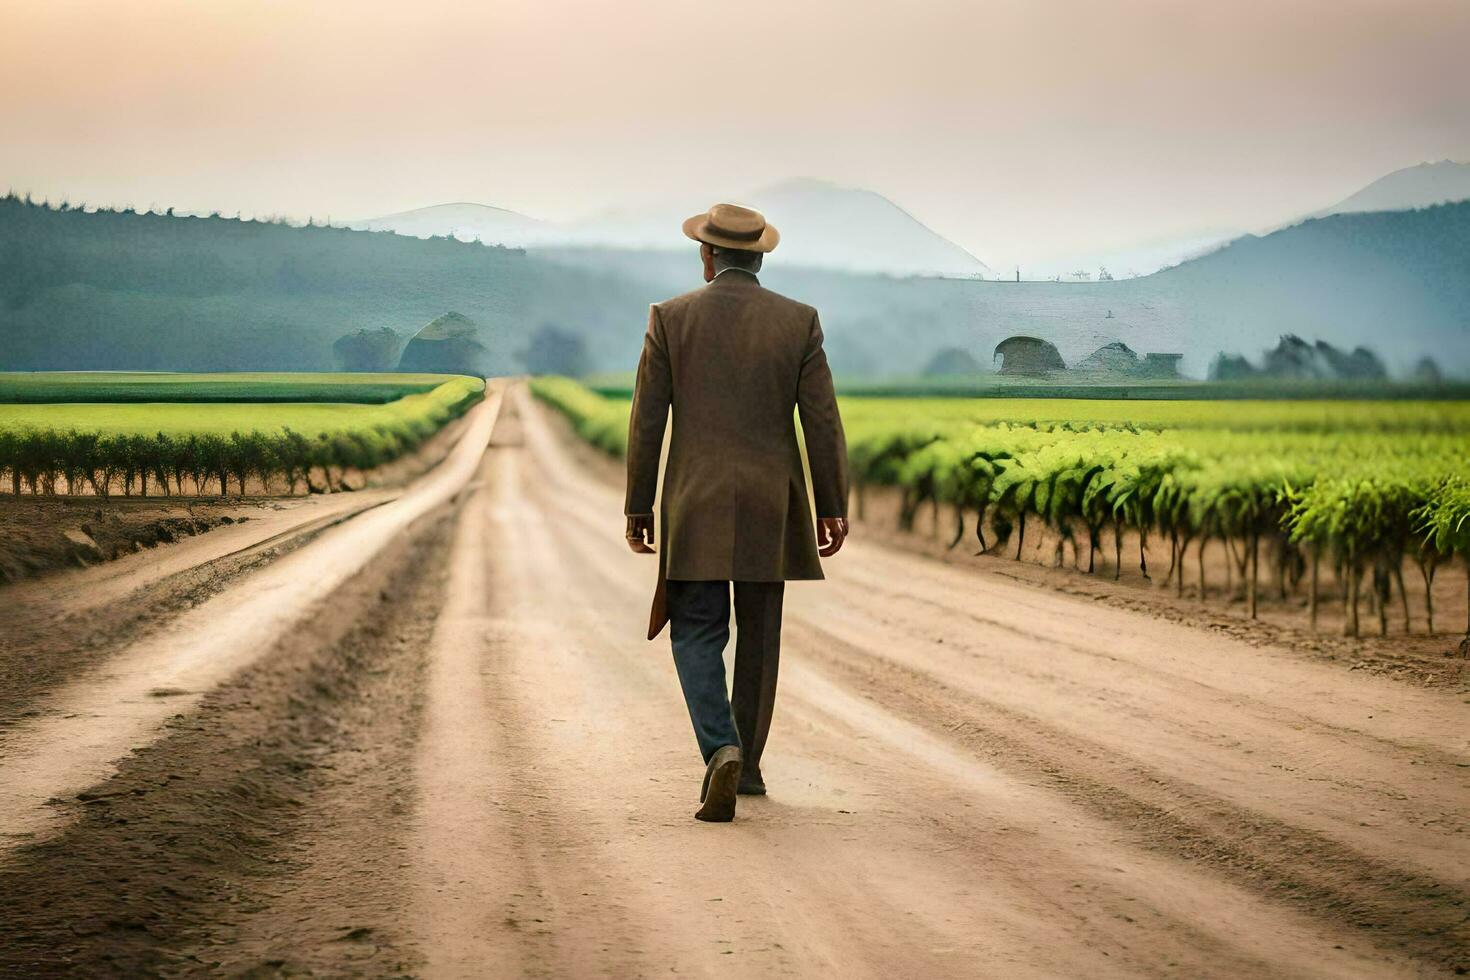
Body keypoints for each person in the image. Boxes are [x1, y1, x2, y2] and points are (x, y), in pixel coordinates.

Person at [624, 202, 849, 822]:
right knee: (760, 634)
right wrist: (832, 505)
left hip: (693, 502)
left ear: (707, 257)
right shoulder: (798, 322)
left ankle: (718, 745)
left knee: (696, 631)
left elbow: (647, 420)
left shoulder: (670, 319)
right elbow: (822, 421)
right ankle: (746, 767)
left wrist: (638, 506)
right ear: (760, 257)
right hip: (768, 503)